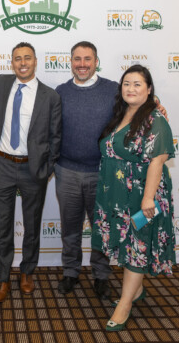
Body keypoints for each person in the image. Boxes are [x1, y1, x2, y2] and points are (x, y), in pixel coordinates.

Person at [92, 65, 175, 331]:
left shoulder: (155, 119)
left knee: (137, 248)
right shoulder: (122, 113)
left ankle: (125, 303)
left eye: (137, 84)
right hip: (117, 195)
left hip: (142, 197)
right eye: (127, 83)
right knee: (128, 246)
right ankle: (136, 291)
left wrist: (148, 200)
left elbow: (157, 160)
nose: (131, 88)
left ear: (149, 89)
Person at [0, 42, 62, 303]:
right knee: (3, 227)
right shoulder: (2, 83)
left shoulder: (50, 96)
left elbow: (55, 138)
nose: (22, 62)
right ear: (11, 62)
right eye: (17, 58)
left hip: (33, 168)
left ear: (36, 61)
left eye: (27, 57)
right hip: (3, 165)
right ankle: (3, 277)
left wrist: (45, 169)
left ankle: (27, 272)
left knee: (32, 226)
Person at [54, 41, 116, 298]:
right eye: (77, 59)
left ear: (96, 61)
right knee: (70, 228)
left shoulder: (113, 90)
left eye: (87, 59)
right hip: (66, 170)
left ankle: (101, 275)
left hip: (101, 172)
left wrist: (155, 102)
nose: (82, 64)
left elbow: (136, 107)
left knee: (102, 229)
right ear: (71, 62)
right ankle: (70, 271)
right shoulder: (60, 91)